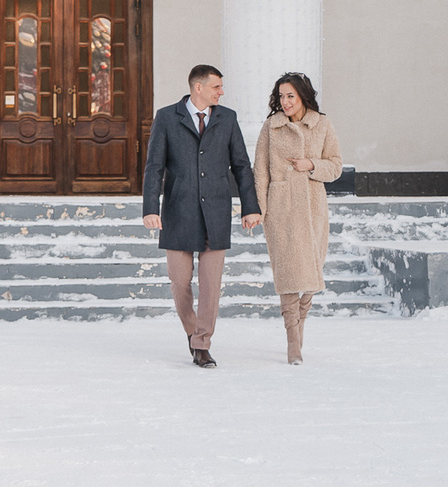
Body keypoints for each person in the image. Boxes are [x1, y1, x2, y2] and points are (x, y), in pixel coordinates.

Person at [141, 64, 260, 368]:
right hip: (178, 210)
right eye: (217, 86)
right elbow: (154, 166)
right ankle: (193, 330)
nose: (222, 92)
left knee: (210, 284)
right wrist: (150, 208)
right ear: (198, 88)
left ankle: (202, 344)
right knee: (179, 281)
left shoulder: (227, 118)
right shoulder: (167, 117)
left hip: (216, 210)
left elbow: (241, 166)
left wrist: (250, 207)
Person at [255, 72, 343, 364]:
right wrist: (260, 210)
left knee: (309, 275)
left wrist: (311, 165)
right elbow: (261, 171)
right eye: (281, 96)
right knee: (288, 275)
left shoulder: (322, 124)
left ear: (304, 96)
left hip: (312, 208)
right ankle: (293, 341)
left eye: (290, 96)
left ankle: (300, 325)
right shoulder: (272, 126)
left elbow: (336, 166)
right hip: (281, 209)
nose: (285, 102)